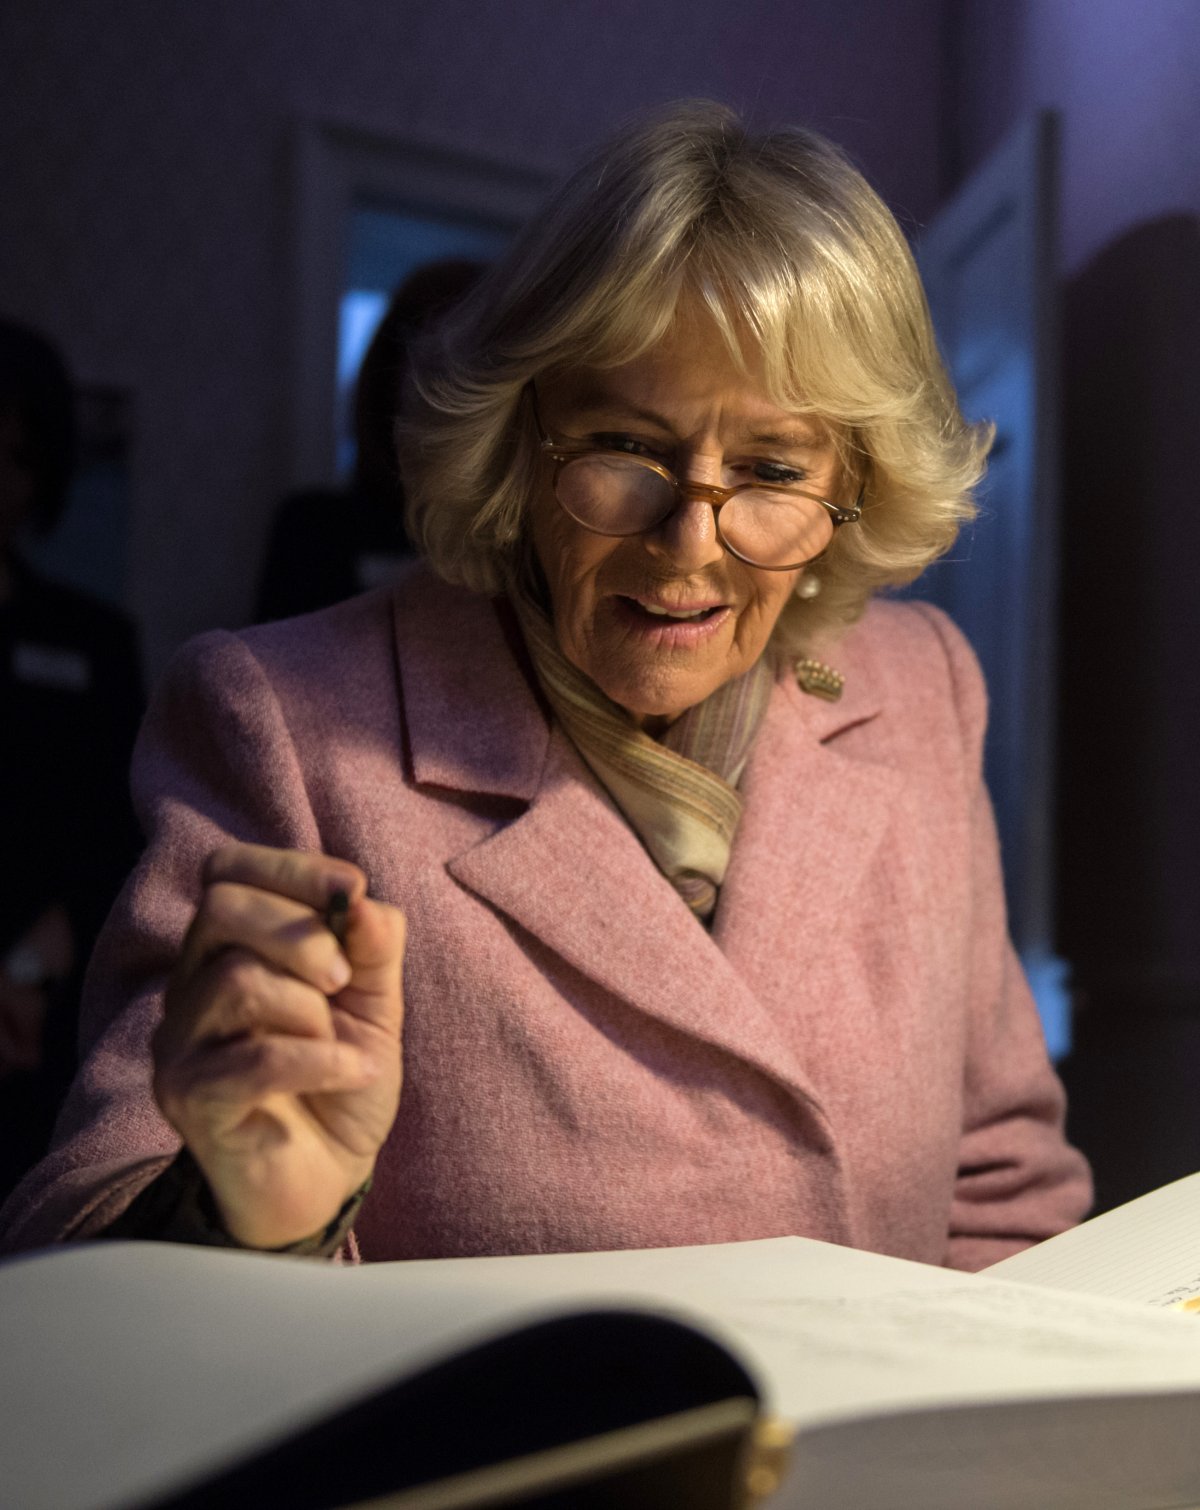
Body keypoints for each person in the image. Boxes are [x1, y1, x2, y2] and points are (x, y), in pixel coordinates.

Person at [0, 103, 1091, 1265]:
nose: (689, 543)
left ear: (852, 488)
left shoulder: (923, 687)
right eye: (627, 447)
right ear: (520, 439)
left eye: (772, 467)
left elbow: (1003, 1182)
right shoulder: (281, 727)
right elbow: (80, 1263)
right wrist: (249, 1221)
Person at [0, 321, 144, 1202]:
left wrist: (21, 975)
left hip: (38, 1023)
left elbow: (116, 839)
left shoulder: (92, 641)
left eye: (16, 457)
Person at [253, 259, 485, 623]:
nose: (446, 387)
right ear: (389, 376)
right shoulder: (314, 527)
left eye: (470, 358)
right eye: (425, 352)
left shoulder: (511, 544)